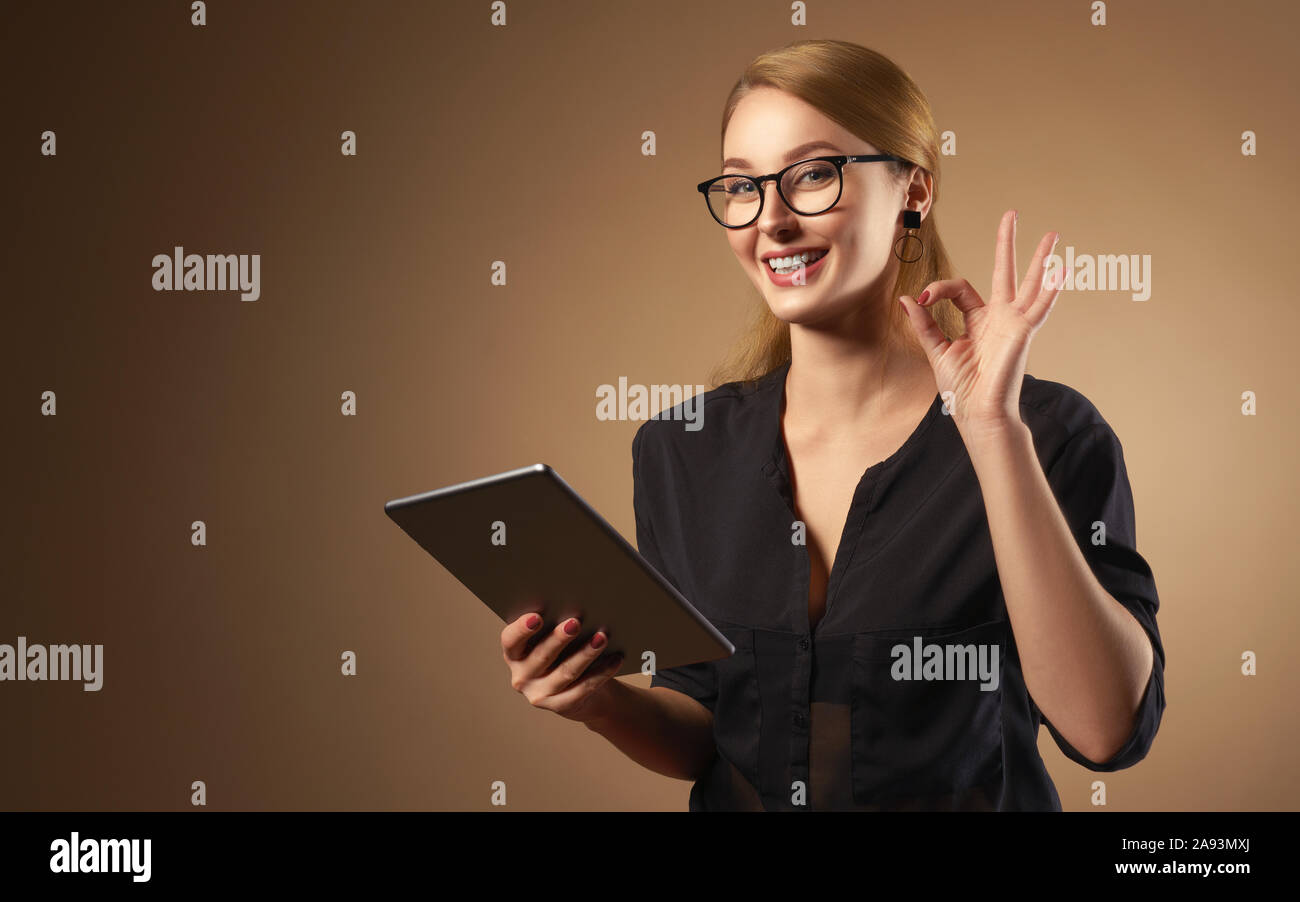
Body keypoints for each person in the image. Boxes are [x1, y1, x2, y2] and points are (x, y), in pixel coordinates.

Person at [499, 39, 1166, 810]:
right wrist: (598, 702)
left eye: (814, 174)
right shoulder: (681, 451)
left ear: (914, 189)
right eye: (743, 186)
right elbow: (708, 721)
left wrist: (992, 435)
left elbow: (1105, 729)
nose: (772, 221)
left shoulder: (1046, 432)